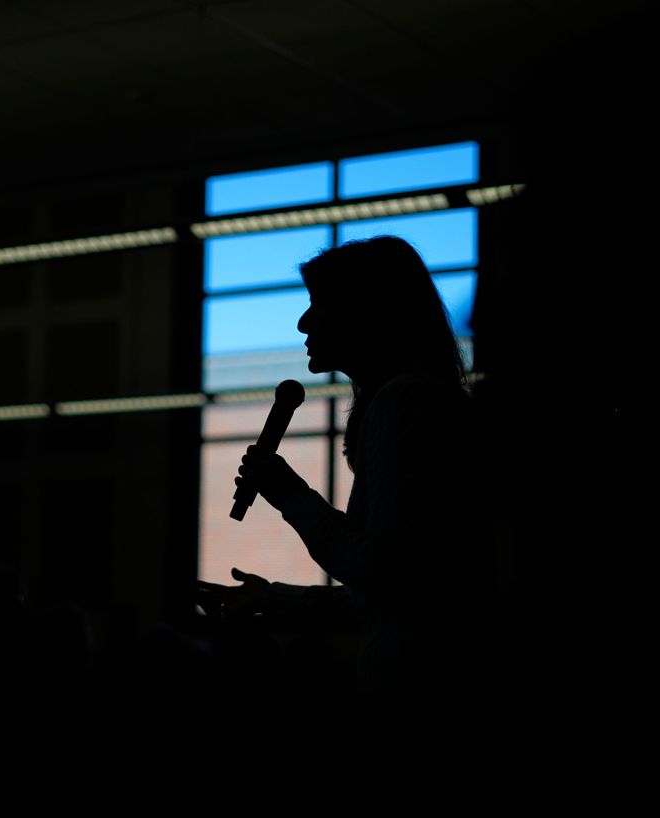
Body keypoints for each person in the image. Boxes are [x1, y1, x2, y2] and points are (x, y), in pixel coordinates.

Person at [196, 236, 493, 699]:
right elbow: (394, 595)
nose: (303, 322)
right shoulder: (420, 399)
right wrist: (273, 598)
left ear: (363, 311)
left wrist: (291, 496)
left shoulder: (403, 403)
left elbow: (384, 572)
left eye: (317, 304)